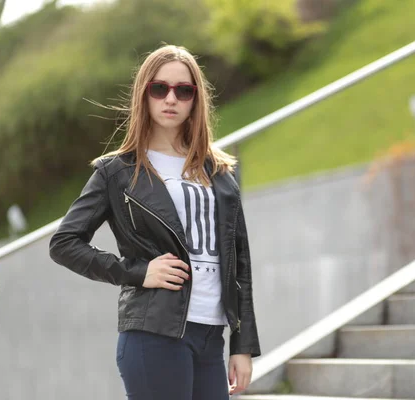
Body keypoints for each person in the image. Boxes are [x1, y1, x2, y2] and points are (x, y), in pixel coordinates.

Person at [49, 44, 261, 400]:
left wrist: (242, 345)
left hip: (211, 337)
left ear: (196, 99)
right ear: (144, 95)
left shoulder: (220, 173)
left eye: (184, 90)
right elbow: (64, 243)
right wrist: (136, 272)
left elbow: (240, 265)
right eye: (159, 88)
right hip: (155, 334)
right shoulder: (117, 172)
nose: (171, 98)